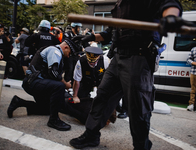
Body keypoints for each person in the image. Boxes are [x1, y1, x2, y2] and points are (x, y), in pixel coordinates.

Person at [69, 1, 184, 149]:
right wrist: (91, 38)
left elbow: (169, 4)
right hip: (118, 58)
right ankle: (91, 135)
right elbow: (110, 33)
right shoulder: (120, 4)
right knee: (102, 98)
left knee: (138, 108)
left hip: (139, 58)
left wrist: (171, 17)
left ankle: (141, 146)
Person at [7, 38, 81, 131]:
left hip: (35, 83)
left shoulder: (53, 50)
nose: (68, 56)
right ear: (66, 47)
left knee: (46, 109)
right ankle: (54, 120)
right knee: (59, 86)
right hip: (34, 83)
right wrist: (65, 84)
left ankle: (18, 102)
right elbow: (53, 73)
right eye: (69, 53)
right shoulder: (55, 51)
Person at [63, 46, 116, 125]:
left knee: (105, 100)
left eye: (94, 62)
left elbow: (112, 78)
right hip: (86, 81)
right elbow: (77, 81)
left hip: (101, 80)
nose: (92, 64)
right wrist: (75, 96)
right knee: (79, 100)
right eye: (90, 62)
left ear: (98, 58)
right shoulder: (81, 61)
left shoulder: (105, 60)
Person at [187, 46, 196, 111]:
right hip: (194, 72)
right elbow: (188, 59)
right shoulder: (194, 49)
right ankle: (191, 104)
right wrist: (193, 63)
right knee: (193, 90)